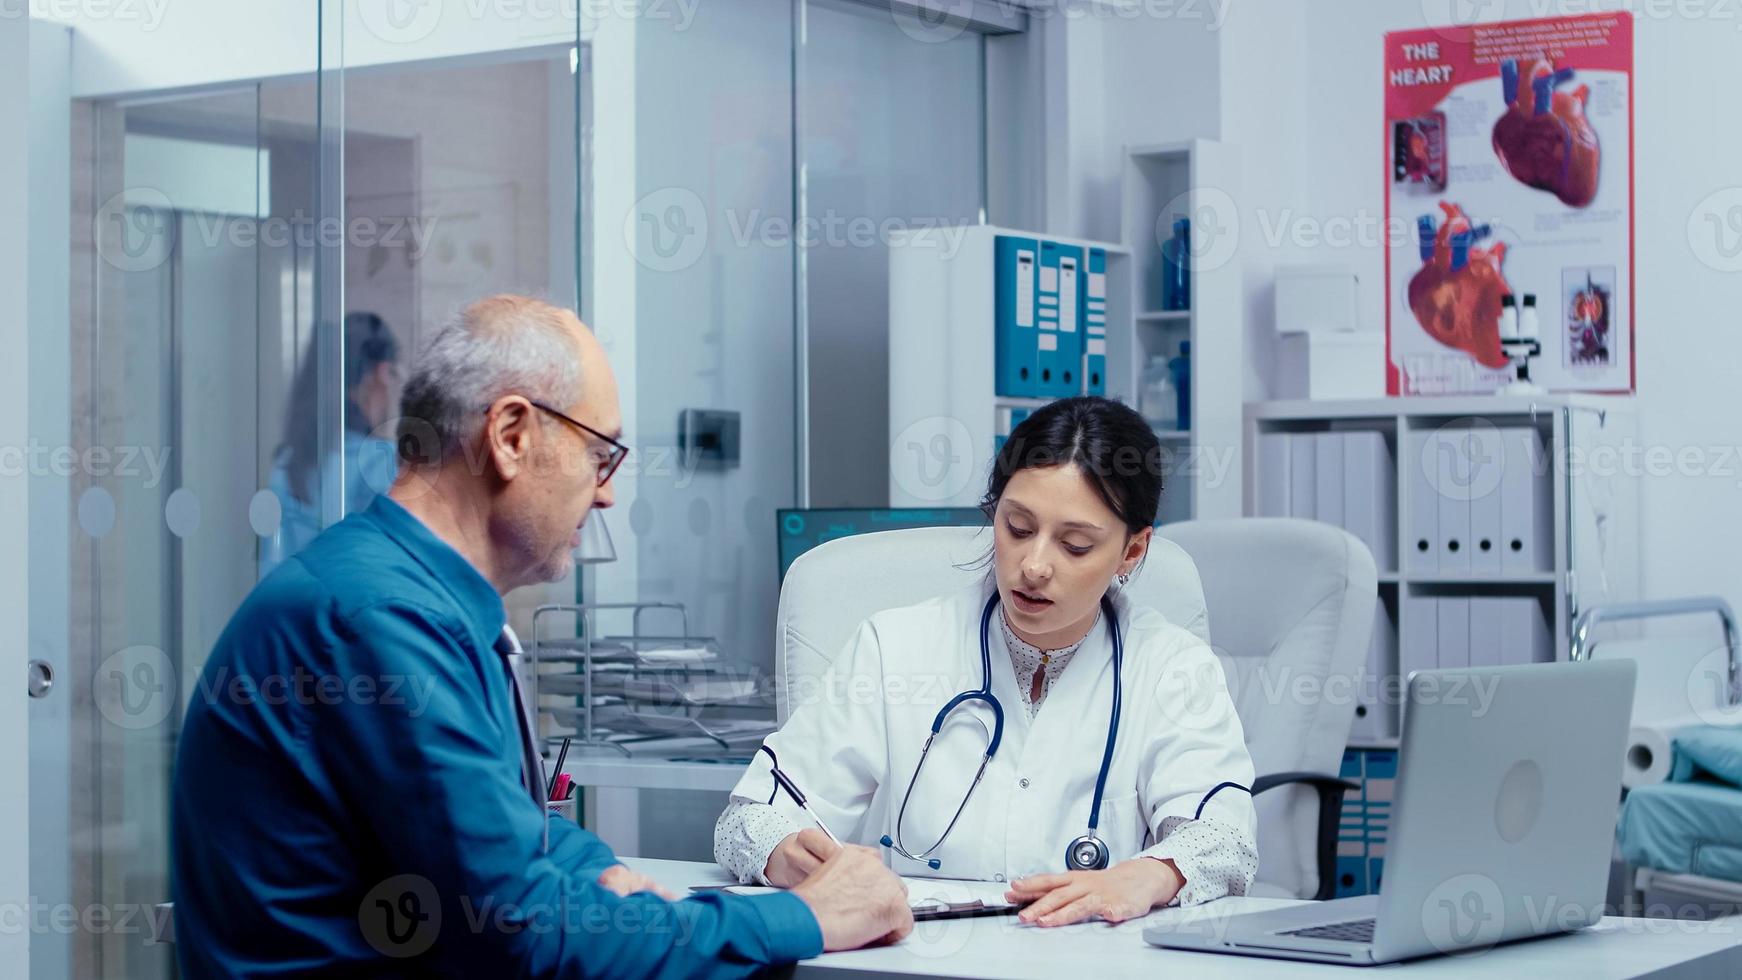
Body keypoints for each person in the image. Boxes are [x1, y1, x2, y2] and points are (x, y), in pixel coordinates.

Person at [172, 295, 912, 977]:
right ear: (512, 435)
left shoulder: (411, 597)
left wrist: (590, 872)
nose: (609, 490)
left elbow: (505, 830)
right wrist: (804, 918)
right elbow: (523, 937)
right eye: (601, 453)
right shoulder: (383, 623)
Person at [715, 396, 1258, 926]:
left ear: (1132, 551)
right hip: (914, 962)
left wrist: (1150, 874)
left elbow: (1226, 841)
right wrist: (786, 852)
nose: (1035, 565)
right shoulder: (895, 647)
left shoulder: (1172, 667)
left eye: (1074, 545)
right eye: (1017, 528)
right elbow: (745, 821)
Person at [262, 311, 405, 575]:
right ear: (382, 373)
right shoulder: (381, 463)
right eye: (395, 374)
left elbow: (271, 567)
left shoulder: (289, 464)